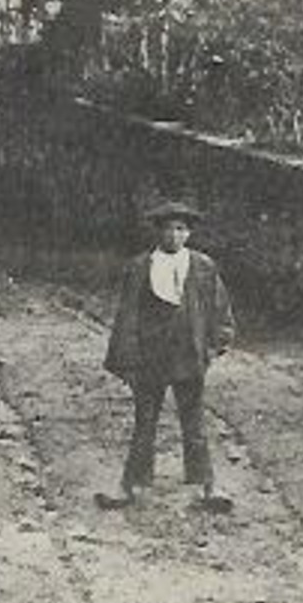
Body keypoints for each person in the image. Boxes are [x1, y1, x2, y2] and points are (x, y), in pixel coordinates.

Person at [98, 201, 236, 513]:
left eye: (181, 229)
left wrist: (213, 347)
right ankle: (130, 485)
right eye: (169, 229)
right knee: (145, 422)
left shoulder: (202, 267)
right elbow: (128, 316)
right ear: (158, 232)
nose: (175, 236)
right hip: (151, 357)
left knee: (195, 422)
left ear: (189, 233)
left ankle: (206, 486)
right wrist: (128, 358)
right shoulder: (140, 267)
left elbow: (220, 310)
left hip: (189, 355)